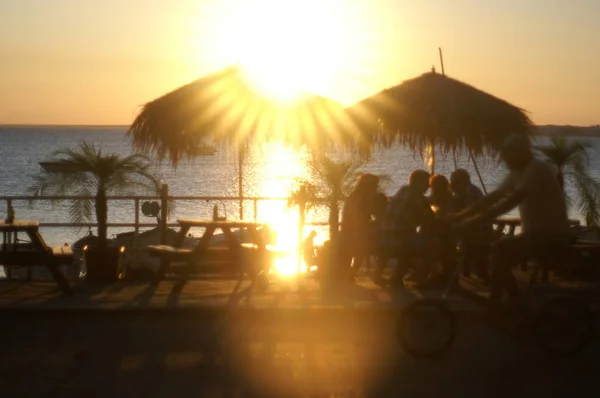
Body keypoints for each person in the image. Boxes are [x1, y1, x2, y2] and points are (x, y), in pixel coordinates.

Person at [448, 134, 572, 313]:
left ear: (521, 153)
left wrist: (472, 220)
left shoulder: (536, 170)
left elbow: (511, 201)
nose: (504, 160)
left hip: (550, 234)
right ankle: (504, 302)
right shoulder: (518, 172)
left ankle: (509, 303)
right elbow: (495, 197)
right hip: (536, 233)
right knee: (499, 252)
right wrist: (461, 215)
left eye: (507, 155)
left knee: (500, 251)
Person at [382, 169, 439, 287]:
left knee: (418, 240)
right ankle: (422, 280)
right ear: (418, 183)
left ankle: (399, 277)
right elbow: (429, 217)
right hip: (398, 238)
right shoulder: (415, 196)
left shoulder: (403, 190)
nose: (428, 186)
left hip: (386, 235)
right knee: (434, 245)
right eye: (426, 183)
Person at [449, 169, 491, 282]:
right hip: (470, 228)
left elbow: (470, 214)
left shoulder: (471, 193)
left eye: (453, 181)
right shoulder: (459, 191)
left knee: (458, 237)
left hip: (479, 228)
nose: (451, 183)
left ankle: (479, 270)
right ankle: (458, 269)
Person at [339, 173, 380, 280]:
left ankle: (351, 273)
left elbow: (372, 213)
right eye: (374, 186)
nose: (376, 188)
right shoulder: (357, 198)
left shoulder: (364, 197)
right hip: (352, 231)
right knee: (359, 248)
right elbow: (357, 217)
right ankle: (349, 273)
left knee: (361, 249)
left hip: (358, 230)